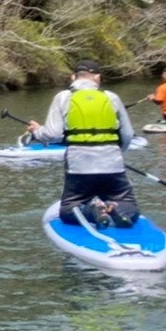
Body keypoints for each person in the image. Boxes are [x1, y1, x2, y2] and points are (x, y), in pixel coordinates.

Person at [25, 60, 140, 229]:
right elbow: (128, 135)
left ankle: (91, 210)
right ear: (97, 78)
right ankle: (117, 208)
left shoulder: (63, 97)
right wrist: (116, 153)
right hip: (112, 165)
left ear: (73, 77)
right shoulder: (111, 97)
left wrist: (36, 131)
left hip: (79, 166)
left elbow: (53, 134)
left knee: (68, 211)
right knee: (129, 205)